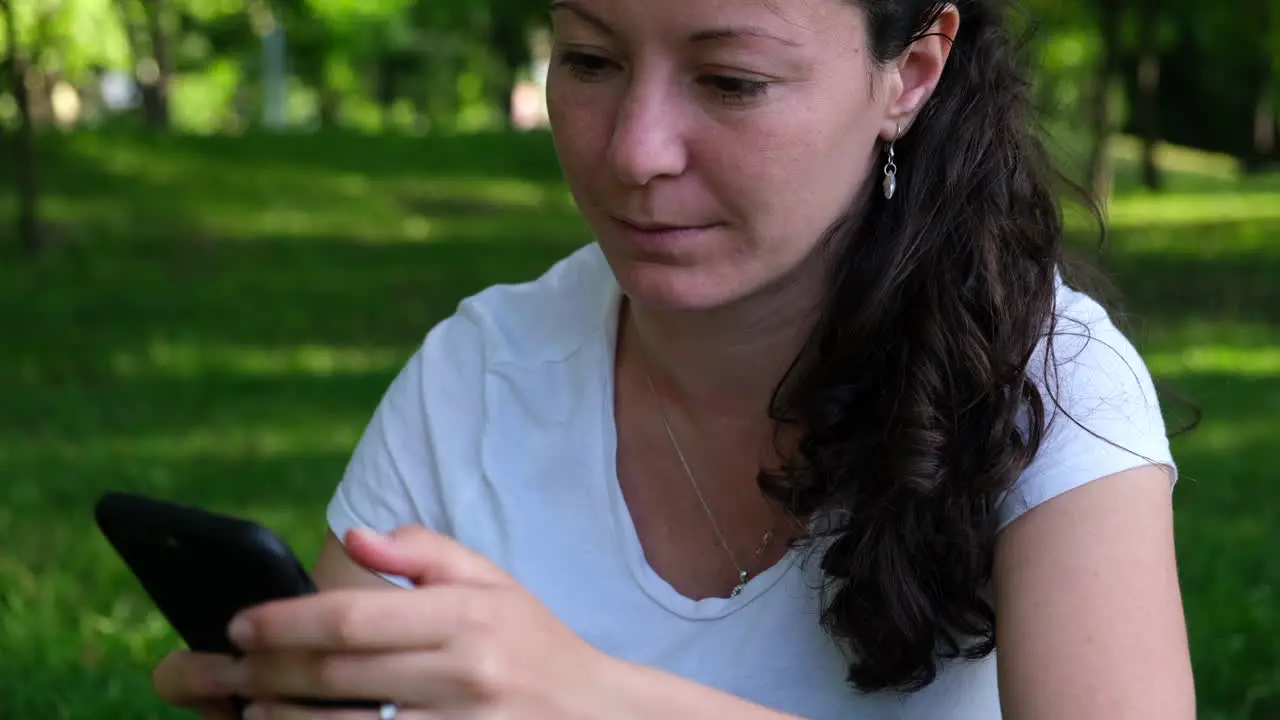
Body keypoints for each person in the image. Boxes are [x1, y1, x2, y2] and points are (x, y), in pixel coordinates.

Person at [151, 0, 1198, 717]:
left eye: (730, 80)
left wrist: (592, 696)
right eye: (591, 60)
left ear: (909, 75)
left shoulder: (1047, 383)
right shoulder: (479, 372)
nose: (633, 151)